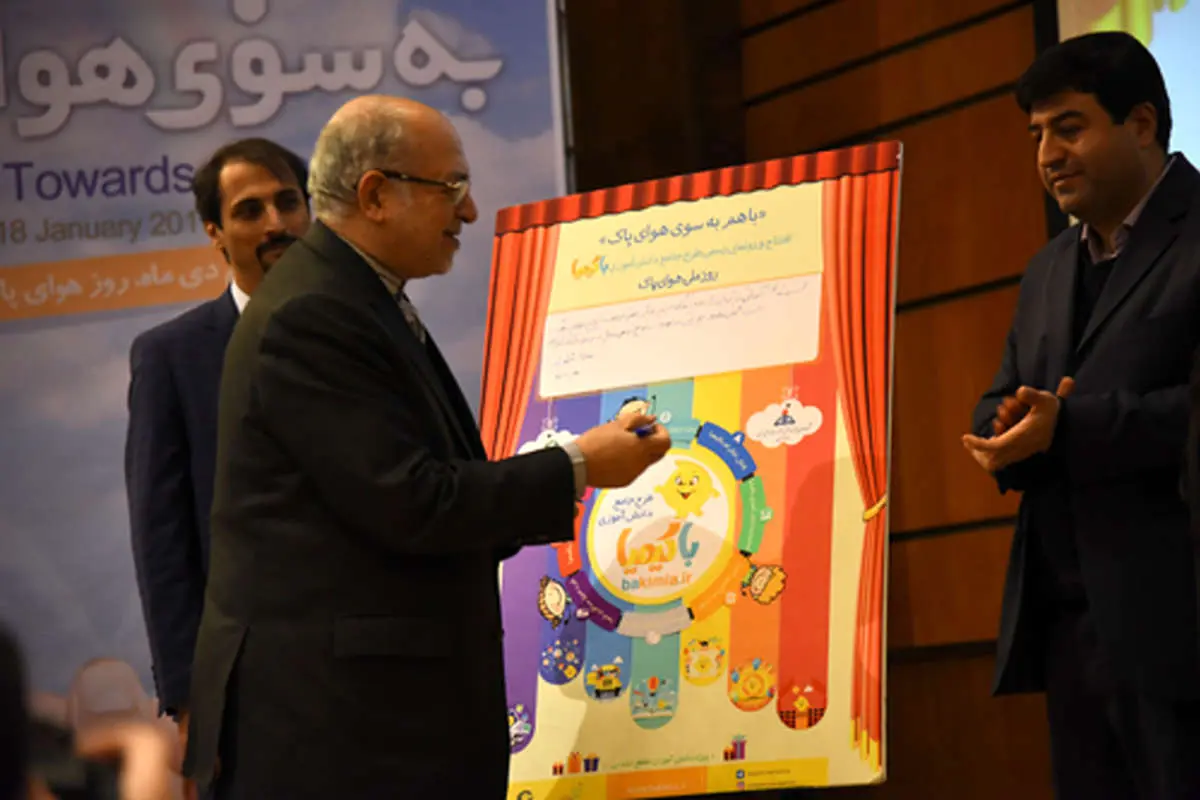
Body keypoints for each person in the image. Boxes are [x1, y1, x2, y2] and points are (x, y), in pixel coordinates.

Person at [181, 95, 672, 799]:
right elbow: (416, 503)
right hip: (344, 738)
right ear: (376, 195)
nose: (468, 212)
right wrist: (580, 464)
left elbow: (438, 486)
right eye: (451, 187)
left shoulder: (356, 296)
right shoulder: (314, 312)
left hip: (373, 726)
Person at [963, 31, 1200, 799]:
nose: (1048, 156)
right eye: (1037, 136)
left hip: (1179, 622)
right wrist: (1005, 431)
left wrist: (1071, 428)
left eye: (1069, 128)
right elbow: (1004, 395)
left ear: (1141, 123)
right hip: (1068, 627)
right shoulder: (1049, 267)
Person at [123, 139, 311, 761]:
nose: (276, 222)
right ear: (216, 233)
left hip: (366, 673)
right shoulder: (173, 357)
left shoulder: (366, 333)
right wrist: (187, 694)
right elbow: (162, 535)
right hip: (246, 684)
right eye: (249, 210)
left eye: (288, 202)